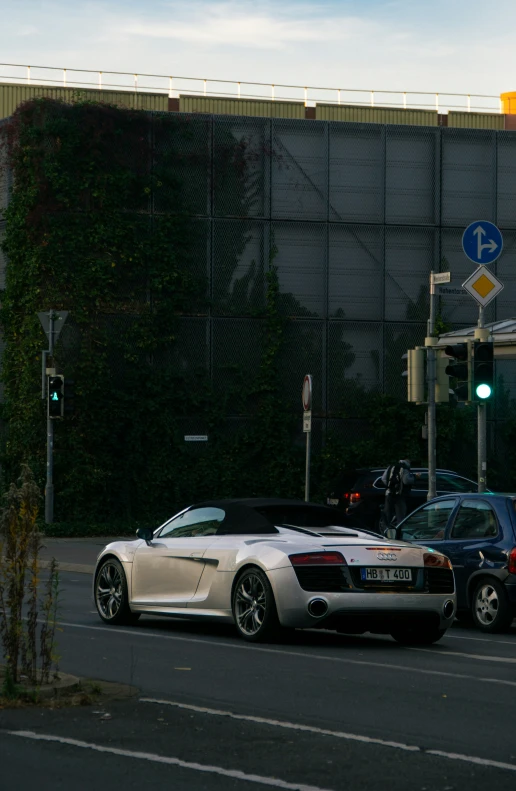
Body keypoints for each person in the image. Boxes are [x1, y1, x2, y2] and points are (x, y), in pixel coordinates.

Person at [381, 459, 421, 530]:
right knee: (401, 515)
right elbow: (406, 481)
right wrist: (415, 477)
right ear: (408, 463)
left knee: (387, 514)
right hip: (399, 495)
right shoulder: (405, 469)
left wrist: (390, 486)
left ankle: (385, 530)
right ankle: (399, 531)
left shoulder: (391, 467)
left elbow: (383, 478)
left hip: (389, 493)